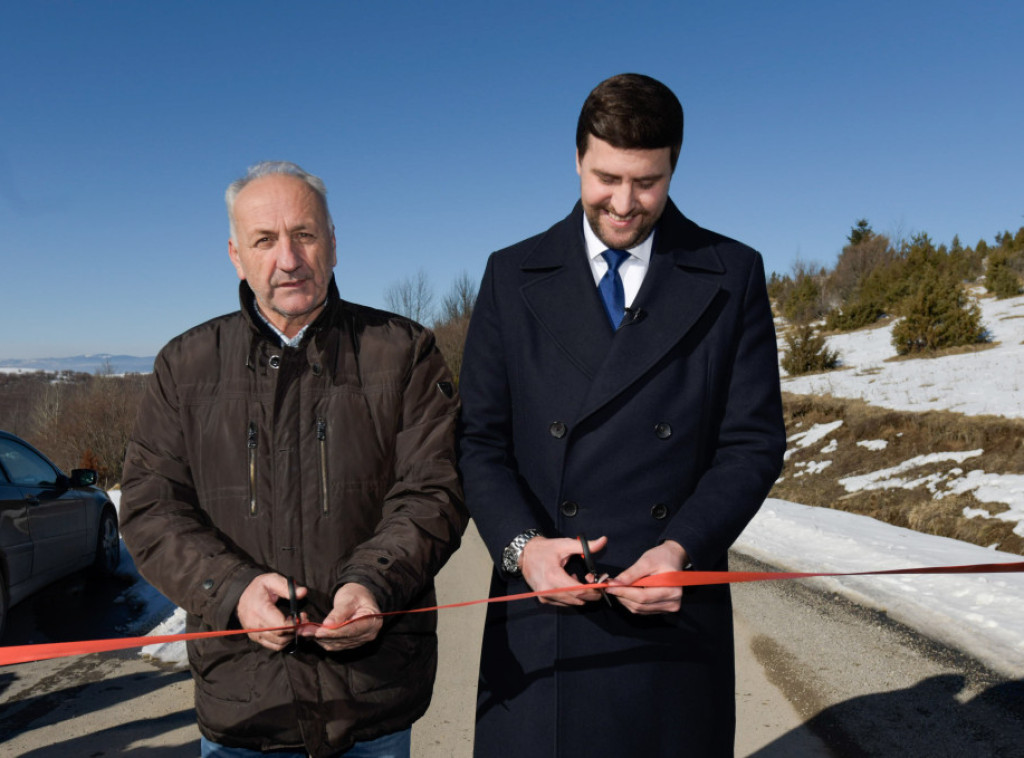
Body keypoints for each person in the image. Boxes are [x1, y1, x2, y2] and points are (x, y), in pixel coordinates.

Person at [458, 74, 787, 756]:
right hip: (541, 615)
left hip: (671, 609)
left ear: (674, 168)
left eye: (647, 182)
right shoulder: (510, 275)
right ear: (577, 159)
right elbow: (479, 441)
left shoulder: (731, 273)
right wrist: (523, 550)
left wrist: (681, 549)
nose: (624, 202)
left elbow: (752, 443)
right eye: (606, 178)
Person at [120, 161, 467, 758]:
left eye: (304, 234)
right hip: (244, 705)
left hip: (373, 698)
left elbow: (435, 489)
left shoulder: (404, 352)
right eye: (264, 240)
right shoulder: (185, 366)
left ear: (332, 242)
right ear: (236, 255)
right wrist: (234, 590)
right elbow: (152, 508)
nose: (288, 259)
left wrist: (373, 583)